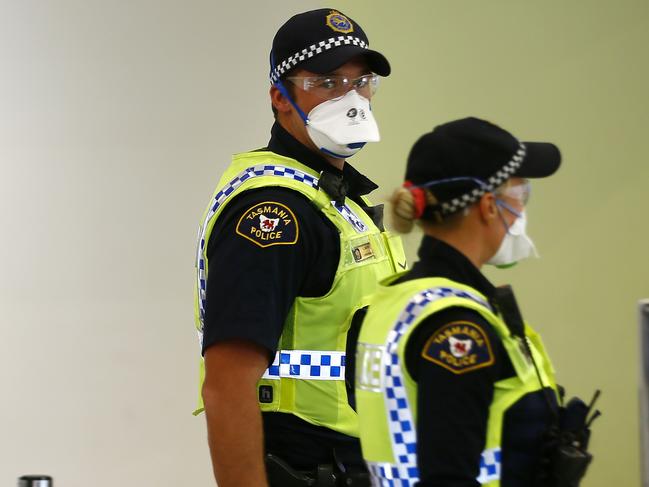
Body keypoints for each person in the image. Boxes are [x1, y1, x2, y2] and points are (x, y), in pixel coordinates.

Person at [193, 8, 405, 487]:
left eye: (362, 81)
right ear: (280, 97)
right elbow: (227, 386)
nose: (352, 98)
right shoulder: (276, 210)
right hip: (307, 469)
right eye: (327, 82)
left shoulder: (334, 198)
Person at [355, 118, 597, 486]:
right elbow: (449, 475)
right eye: (521, 194)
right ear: (487, 206)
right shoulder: (457, 327)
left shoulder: (403, 299)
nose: (523, 210)